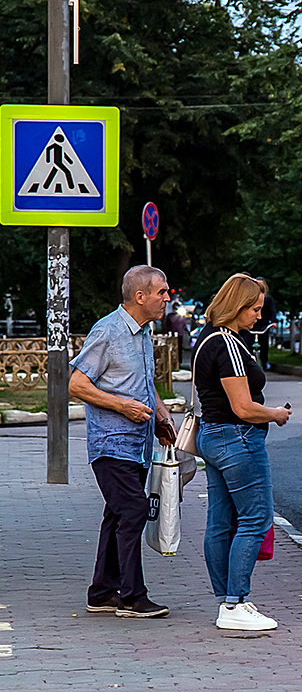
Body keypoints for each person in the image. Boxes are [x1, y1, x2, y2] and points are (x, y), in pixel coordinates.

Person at [68, 265, 177, 619]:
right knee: (133, 511)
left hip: (138, 444)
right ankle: (132, 596)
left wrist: (160, 416)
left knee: (117, 515)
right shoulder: (109, 331)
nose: (167, 297)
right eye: (161, 292)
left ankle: (101, 592)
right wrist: (121, 406)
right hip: (111, 443)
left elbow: (145, 385)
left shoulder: (142, 333)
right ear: (140, 296)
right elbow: (77, 384)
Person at [193, 273, 292, 631]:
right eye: (254, 309)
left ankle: (225, 602)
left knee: (220, 522)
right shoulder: (228, 345)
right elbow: (243, 407)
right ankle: (236, 603)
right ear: (237, 307)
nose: (258, 316)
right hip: (237, 438)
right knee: (255, 518)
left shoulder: (206, 339)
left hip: (213, 435)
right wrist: (276, 415)